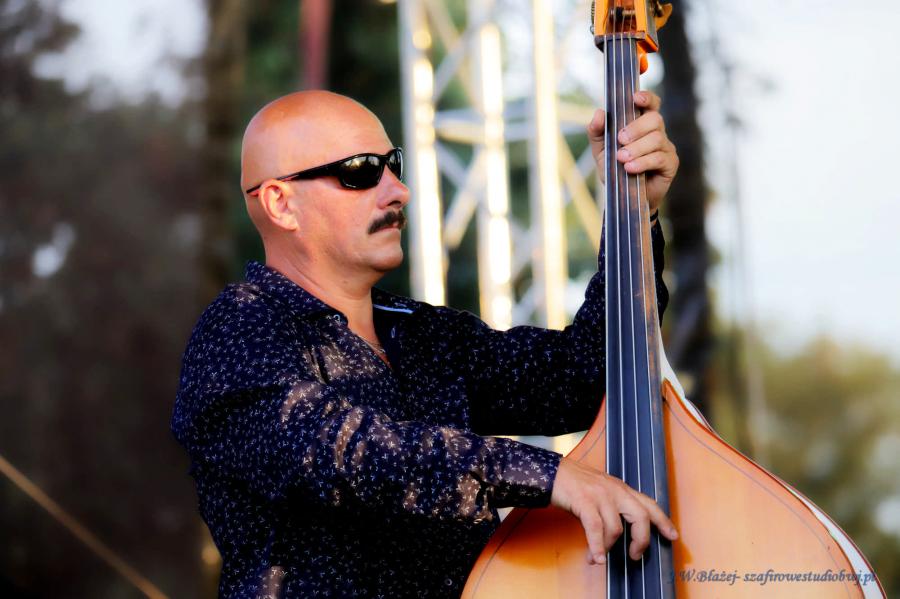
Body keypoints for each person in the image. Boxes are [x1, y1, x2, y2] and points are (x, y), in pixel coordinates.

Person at [172, 89, 680, 598]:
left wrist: (633, 213)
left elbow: (587, 376)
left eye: (392, 165)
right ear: (281, 204)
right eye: (360, 171)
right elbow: (344, 452)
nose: (398, 191)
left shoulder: (425, 334)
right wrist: (546, 474)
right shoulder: (237, 329)